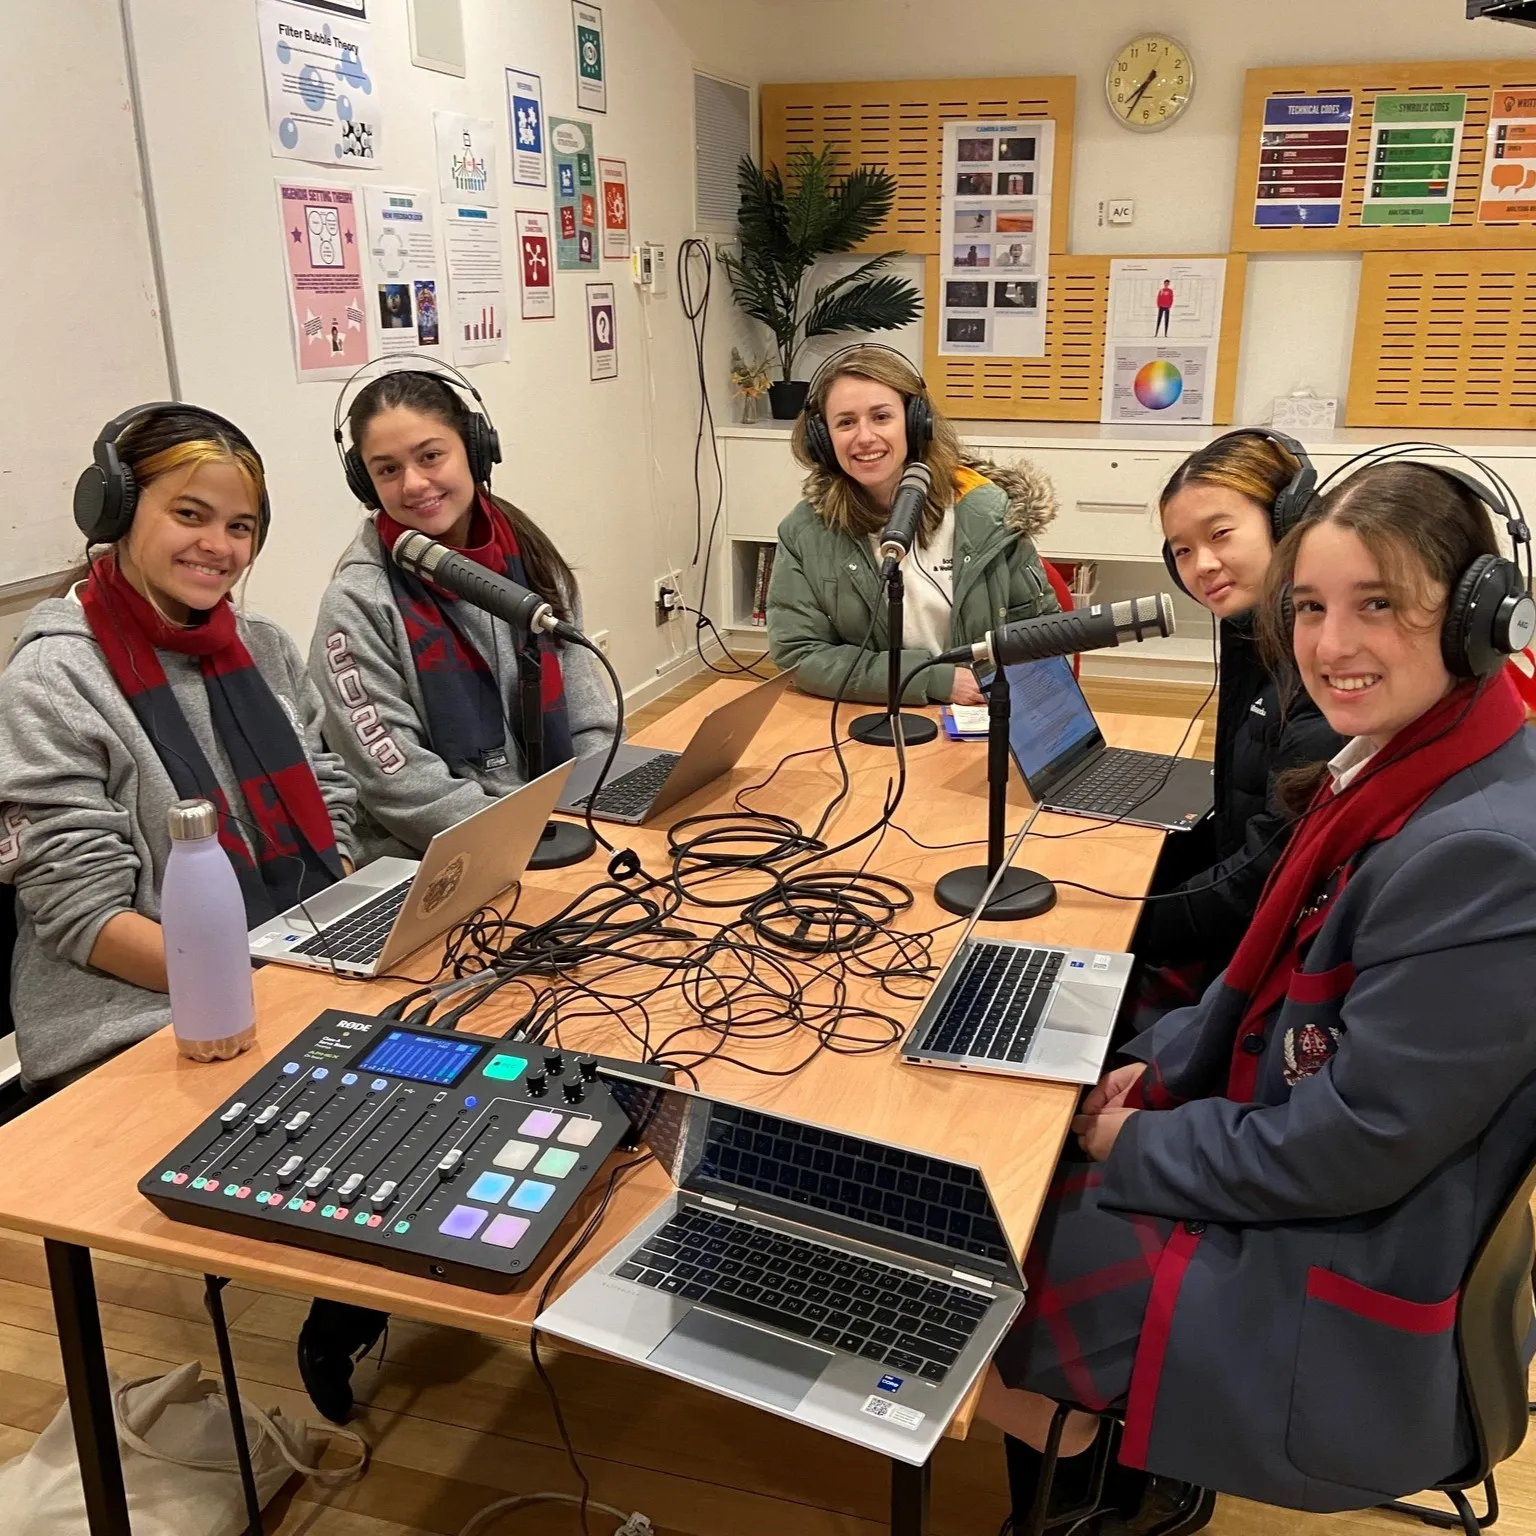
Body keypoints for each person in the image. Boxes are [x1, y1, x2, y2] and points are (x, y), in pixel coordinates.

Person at [979, 459, 1536, 1524]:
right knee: (1044, 1128)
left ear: (1474, 619)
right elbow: (1272, 998)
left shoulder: (1485, 855)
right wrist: (1162, 1068)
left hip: (1355, 1258)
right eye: (1313, 608)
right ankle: (1112, 1465)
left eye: (1379, 605)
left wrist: (1131, 1143)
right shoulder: (1413, 761)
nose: (1331, 647)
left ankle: (1108, 1487)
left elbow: (1350, 1146)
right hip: (1331, 1175)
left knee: (990, 1251)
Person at [0, 405, 382, 1423]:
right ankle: (353, 1289)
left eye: (242, 526)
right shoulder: (54, 674)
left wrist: (333, 913)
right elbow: (81, 915)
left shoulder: (259, 643)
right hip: (133, 1010)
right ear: (117, 512)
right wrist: (267, 988)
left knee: (484, 1022)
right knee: (388, 1081)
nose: (219, 547)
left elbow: (330, 783)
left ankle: (358, 1293)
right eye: (191, 514)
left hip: (287, 962)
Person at [311, 364, 616, 862]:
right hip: (440, 859)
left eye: (431, 456)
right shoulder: (358, 602)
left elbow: (592, 722)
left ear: (475, 450)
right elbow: (400, 785)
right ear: (365, 483)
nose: (413, 484)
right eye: (387, 469)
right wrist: (521, 836)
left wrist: (600, 810)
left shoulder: (533, 560)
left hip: (557, 829)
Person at [1134, 432, 1343, 995]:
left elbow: (1264, 875)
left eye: (1220, 534)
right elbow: (1243, 824)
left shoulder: (1326, 663)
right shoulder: (1254, 632)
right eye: (1181, 550)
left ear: (1286, 521)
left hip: (1270, 968)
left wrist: (1129, 924)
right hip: (1240, 946)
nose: (1202, 565)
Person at [767, 345, 1059, 706]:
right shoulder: (805, 532)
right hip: (868, 715)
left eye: (881, 417)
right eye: (845, 422)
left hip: (984, 711)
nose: (864, 437)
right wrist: (932, 679)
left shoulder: (987, 512)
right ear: (823, 439)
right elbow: (800, 655)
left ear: (916, 421)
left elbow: (1041, 635)